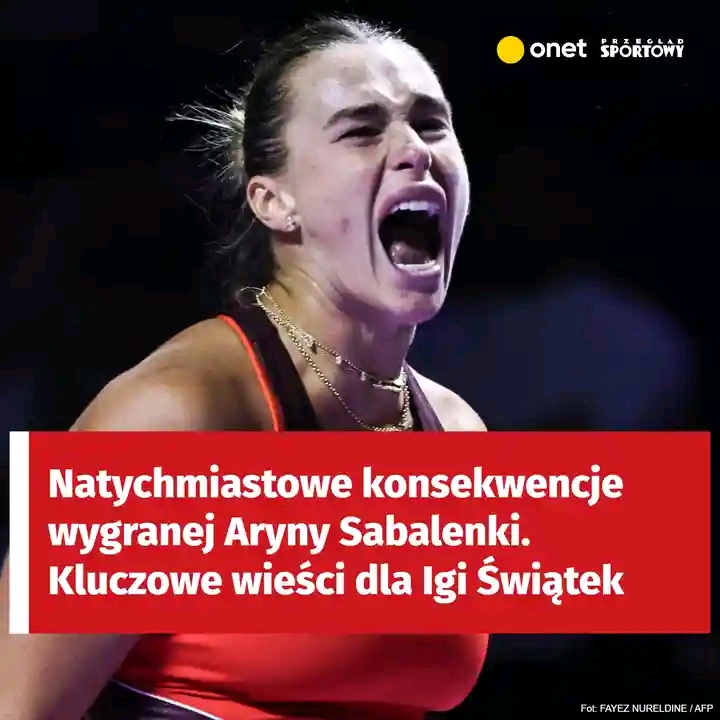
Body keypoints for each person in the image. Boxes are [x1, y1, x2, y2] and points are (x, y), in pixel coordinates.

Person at [0, 15, 489, 720]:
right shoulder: (172, 415)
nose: (415, 149)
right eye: (361, 130)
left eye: (432, 123)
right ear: (273, 200)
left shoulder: (458, 431)